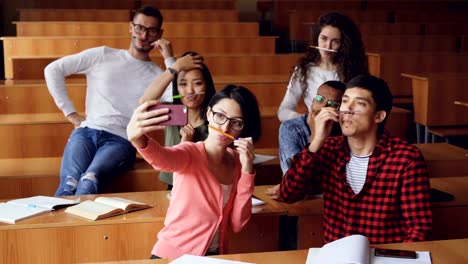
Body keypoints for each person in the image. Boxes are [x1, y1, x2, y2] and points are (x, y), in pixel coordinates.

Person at [269, 75, 432, 244]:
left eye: (359, 104)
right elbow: (289, 193)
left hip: (385, 258)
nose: (347, 110)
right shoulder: (329, 149)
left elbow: (419, 229)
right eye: (345, 102)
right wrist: (316, 141)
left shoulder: (406, 158)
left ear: (378, 116)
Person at [46, 6, 176, 196]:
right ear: (131, 27)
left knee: (90, 179)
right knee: (69, 183)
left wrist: (169, 60)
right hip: (86, 132)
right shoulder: (102, 54)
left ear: (159, 34)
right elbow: (52, 70)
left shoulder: (158, 75)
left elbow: (177, 108)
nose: (144, 34)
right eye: (140, 28)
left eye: (152, 30)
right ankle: (60, 226)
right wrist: (71, 114)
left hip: (121, 140)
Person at [127, 85, 262, 259]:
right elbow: (162, 158)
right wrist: (139, 140)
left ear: (243, 128)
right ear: (208, 114)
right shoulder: (190, 152)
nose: (225, 127)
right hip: (173, 257)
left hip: (214, 257)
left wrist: (247, 170)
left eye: (236, 122)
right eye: (220, 116)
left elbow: (237, 224)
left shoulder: (237, 162)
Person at [139, 51, 216, 190]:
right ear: (176, 88)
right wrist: (175, 67)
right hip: (174, 186)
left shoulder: (216, 119)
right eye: (183, 84)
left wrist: (186, 145)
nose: (190, 91)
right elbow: (145, 101)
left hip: (206, 186)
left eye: (197, 83)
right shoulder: (174, 113)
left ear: (207, 86)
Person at [278, 80, 345, 175]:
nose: (323, 107)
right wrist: (315, 135)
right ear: (313, 101)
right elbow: (292, 176)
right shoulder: (291, 128)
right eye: (320, 99)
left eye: (332, 104)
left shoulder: (344, 129)